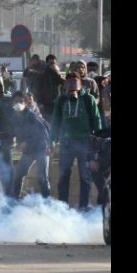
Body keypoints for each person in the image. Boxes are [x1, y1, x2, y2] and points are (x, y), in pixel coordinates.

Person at [50, 73, 101, 210]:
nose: (72, 85)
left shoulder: (88, 99)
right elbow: (55, 121)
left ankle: (83, 206)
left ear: (80, 83)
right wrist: (52, 140)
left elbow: (97, 121)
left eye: (75, 81)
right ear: (65, 84)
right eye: (69, 82)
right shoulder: (61, 100)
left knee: (85, 176)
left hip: (85, 142)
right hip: (66, 143)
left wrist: (98, 142)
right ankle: (62, 207)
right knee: (63, 175)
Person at [10, 91, 52, 200]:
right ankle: (14, 201)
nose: (18, 104)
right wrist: (0, 135)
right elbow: (13, 135)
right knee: (18, 175)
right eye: (16, 101)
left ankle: (48, 203)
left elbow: (44, 132)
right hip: (27, 151)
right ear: (12, 103)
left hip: (41, 149)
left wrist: (27, 142)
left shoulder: (31, 116)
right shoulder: (14, 117)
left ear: (26, 103)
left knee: (42, 178)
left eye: (21, 101)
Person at [36, 54, 64, 123]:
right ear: (47, 63)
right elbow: (38, 89)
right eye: (50, 63)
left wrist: (57, 73)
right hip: (45, 104)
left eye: (54, 63)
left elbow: (63, 83)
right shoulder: (42, 74)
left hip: (56, 103)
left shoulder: (56, 73)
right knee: (47, 122)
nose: (52, 65)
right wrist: (39, 102)